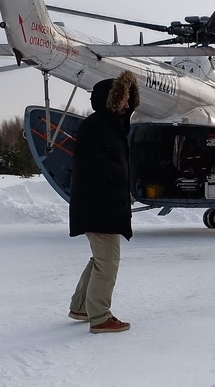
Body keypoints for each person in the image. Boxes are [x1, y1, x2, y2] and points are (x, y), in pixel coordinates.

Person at [67, 70, 139, 333]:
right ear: (111, 99)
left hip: (101, 205)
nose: (128, 104)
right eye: (124, 98)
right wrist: (120, 178)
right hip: (99, 206)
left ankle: (81, 307)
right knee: (108, 262)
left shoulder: (110, 127)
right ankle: (100, 317)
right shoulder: (97, 127)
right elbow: (93, 166)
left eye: (130, 98)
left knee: (100, 259)